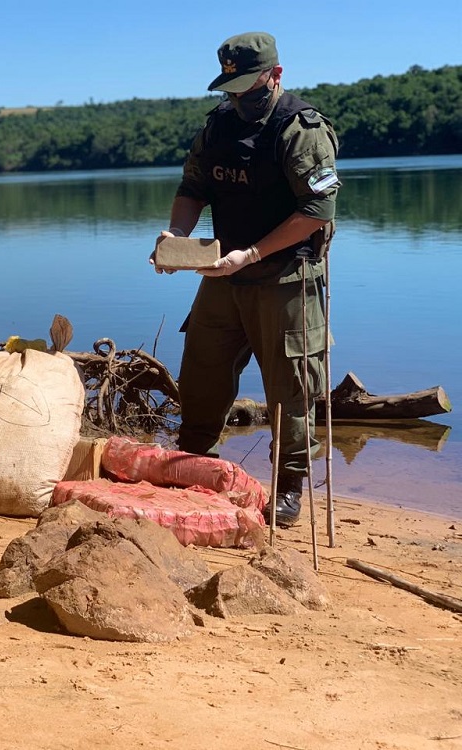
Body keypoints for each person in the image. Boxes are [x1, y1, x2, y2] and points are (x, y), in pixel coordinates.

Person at [151, 31, 339, 527]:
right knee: (201, 375)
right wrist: (177, 236)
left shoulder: (301, 129)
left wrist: (252, 253)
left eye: (248, 87)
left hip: (286, 277)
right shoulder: (217, 127)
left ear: (275, 75)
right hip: (222, 276)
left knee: (291, 389)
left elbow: (318, 210)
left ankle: (289, 486)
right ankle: (195, 464)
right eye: (230, 88)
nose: (238, 98)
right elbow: (192, 187)